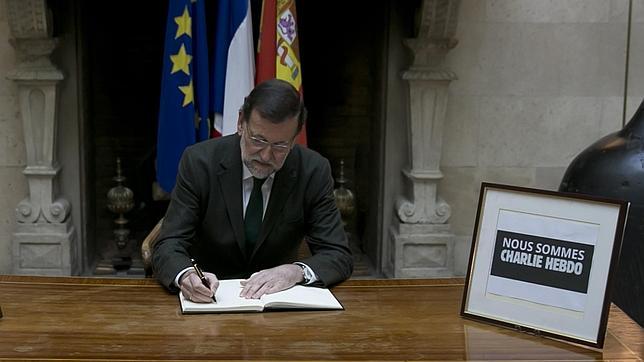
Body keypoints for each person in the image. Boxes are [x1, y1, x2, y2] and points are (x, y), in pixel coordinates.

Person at [152, 79, 353, 302]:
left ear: (295, 139)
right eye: (258, 140)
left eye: (280, 146)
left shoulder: (313, 171)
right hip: (211, 301)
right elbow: (168, 244)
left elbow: (338, 254)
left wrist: (295, 271)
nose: (266, 156)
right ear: (241, 123)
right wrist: (187, 275)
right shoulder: (199, 162)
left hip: (278, 302)